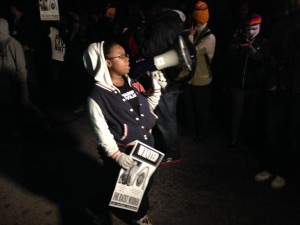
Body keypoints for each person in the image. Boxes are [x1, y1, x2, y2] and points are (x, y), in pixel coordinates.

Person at [83, 41, 164, 224]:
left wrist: (157, 89)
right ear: (107, 63)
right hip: (123, 152)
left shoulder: (133, 82)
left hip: (146, 147)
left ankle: (96, 206)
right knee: (131, 186)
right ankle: (139, 216)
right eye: (121, 56)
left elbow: (146, 109)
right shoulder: (97, 97)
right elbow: (101, 132)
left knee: (136, 183)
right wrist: (116, 155)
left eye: (126, 54)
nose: (128, 59)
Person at [254, 0, 300, 189]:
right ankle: (271, 167)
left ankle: (284, 172)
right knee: (272, 130)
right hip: (276, 84)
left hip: (295, 87)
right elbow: (271, 50)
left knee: (291, 133)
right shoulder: (280, 23)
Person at [134, 0, 186, 166]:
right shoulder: (177, 21)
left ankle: (173, 153)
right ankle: (167, 147)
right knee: (169, 114)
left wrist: (141, 34)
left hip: (166, 77)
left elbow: (149, 50)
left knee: (166, 116)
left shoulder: (162, 25)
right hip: (175, 73)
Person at [226, 13, 269, 151]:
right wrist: (233, 48)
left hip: (254, 86)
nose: (250, 32)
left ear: (260, 27)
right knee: (235, 114)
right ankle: (233, 140)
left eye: (254, 28)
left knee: (250, 115)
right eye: (248, 28)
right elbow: (230, 61)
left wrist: (253, 51)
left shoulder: (263, 42)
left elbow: (264, 62)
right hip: (237, 85)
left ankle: (247, 140)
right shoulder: (239, 39)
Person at [0, 18, 47, 134]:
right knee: (11, 104)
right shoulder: (1, 44)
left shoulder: (12, 43)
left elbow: (20, 65)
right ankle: (17, 127)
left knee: (24, 103)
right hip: (6, 81)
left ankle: (43, 119)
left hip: (17, 81)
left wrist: (21, 82)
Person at [182, 1, 216, 142]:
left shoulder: (209, 37)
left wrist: (189, 37)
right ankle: (191, 130)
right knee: (189, 107)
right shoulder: (196, 31)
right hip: (190, 78)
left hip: (202, 80)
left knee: (201, 110)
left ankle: (202, 134)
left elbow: (192, 53)